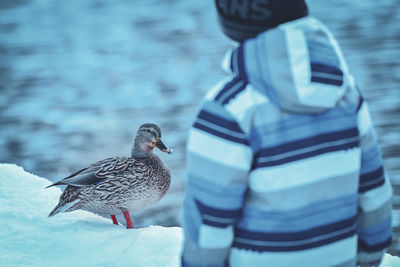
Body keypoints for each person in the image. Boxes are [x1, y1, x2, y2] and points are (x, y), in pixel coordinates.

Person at [181, 0, 393, 266]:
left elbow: (209, 222)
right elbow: (375, 193)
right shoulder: (346, 92)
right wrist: (368, 257)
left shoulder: (228, 108)